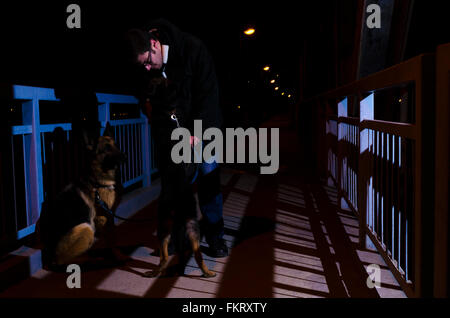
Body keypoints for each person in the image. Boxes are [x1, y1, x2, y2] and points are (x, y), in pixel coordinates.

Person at [126, 19, 228, 257]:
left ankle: (215, 237)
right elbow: (143, 94)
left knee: (208, 177)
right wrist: (148, 108)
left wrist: (195, 132)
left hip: (203, 127)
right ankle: (176, 236)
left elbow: (209, 95)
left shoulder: (193, 49)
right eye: (143, 67)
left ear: (154, 44)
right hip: (173, 133)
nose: (148, 69)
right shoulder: (146, 65)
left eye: (148, 62)